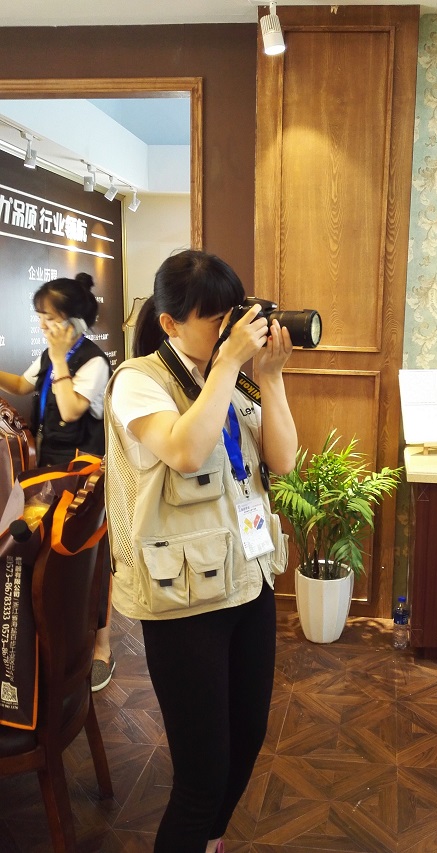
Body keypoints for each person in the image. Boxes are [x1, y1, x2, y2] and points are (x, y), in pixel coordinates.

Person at [103, 250, 297, 853]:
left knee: (248, 737)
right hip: (183, 601)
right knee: (201, 772)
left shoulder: (231, 377)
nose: (230, 329)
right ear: (170, 323)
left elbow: (283, 460)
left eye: (232, 313)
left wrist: (271, 376)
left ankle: (210, 841)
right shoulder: (138, 380)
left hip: (248, 580)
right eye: (215, 318)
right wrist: (230, 363)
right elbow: (185, 452)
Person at [0, 273, 115, 690]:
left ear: (72, 321)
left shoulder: (93, 362)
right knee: (51, 560)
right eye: (40, 318)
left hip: (84, 476)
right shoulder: (52, 355)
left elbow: (69, 410)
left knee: (91, 556)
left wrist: (61, 359)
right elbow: (23, 384)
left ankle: (102, 647)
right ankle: (60, 645)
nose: (43, 326)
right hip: (50, 471)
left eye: (49, 318)